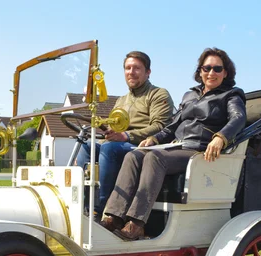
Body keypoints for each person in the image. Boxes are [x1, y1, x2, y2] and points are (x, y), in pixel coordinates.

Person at [101, 47, 247, 240]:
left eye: (217, 69)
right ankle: (114, 217)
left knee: (154, 157)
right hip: (176, 146)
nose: (211, 73)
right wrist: (154, 138)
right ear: (200, 71)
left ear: (225, 72)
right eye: (207, 68)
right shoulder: (190, 95)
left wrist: (221, 137)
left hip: (199, 150)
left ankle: (136, 224)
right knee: (134, 155)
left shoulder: (231, 95)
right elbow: (172, 125)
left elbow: (238, 118)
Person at [76, 50, 174, 219]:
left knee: (110, 149)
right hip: (121, 145)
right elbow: (115, 126)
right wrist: (104, 127)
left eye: (136, 68)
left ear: (148, 72)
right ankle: (82, 204)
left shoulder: (158, 94)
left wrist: (126, 136)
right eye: (128, 68)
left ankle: (103, 209)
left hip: (146, 148)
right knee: (87, 147)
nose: (131, 72)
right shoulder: (121, 100)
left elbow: (160, 126)